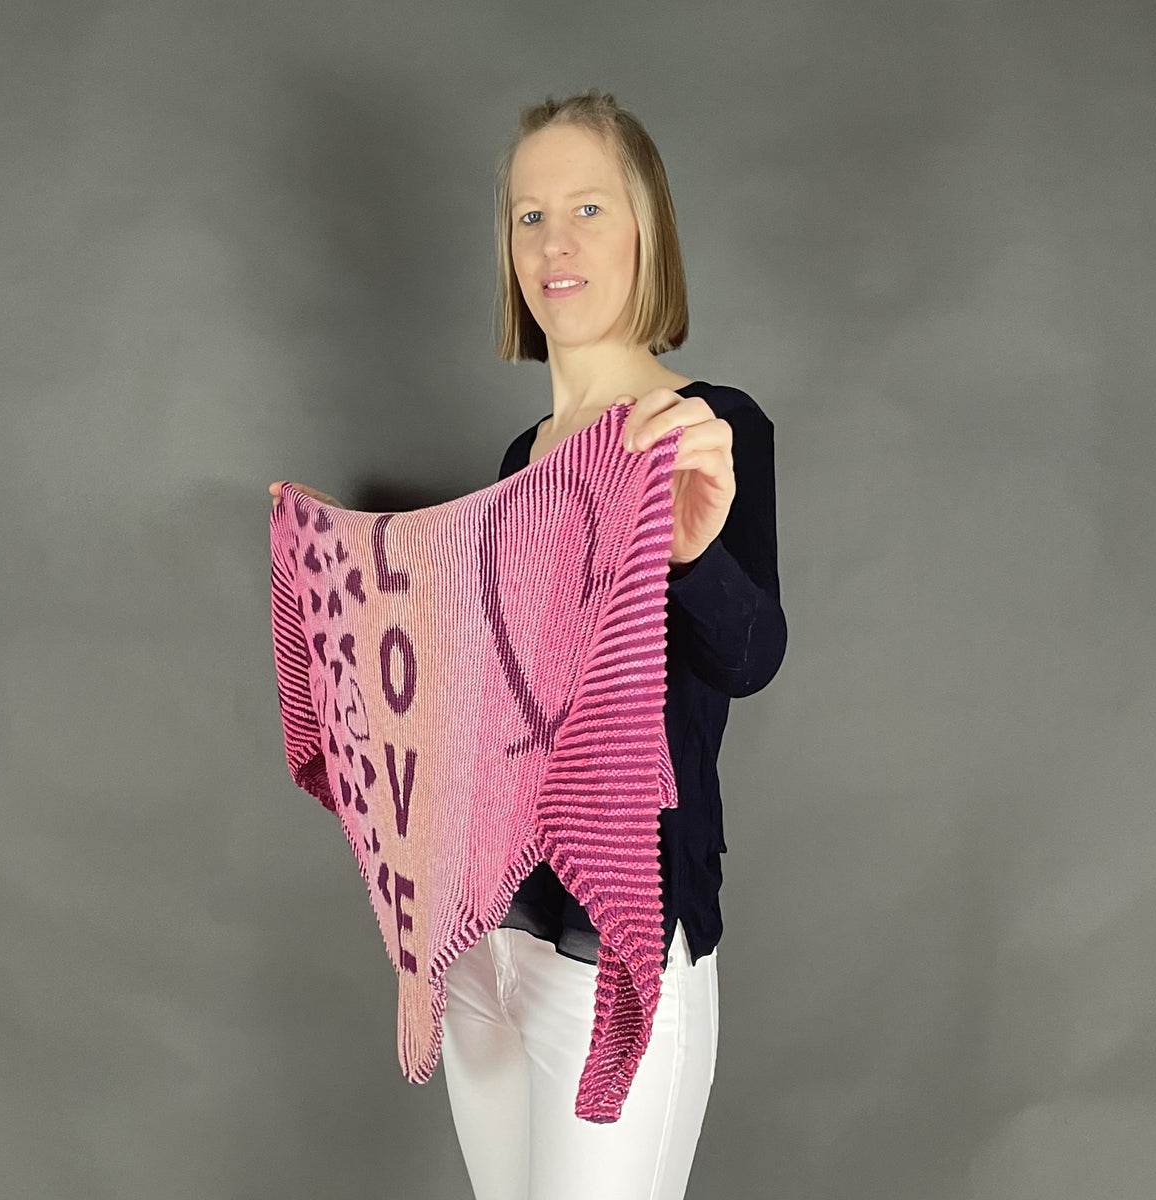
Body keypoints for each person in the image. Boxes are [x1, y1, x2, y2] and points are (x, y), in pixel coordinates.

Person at [270, 88, 786, 1200]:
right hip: (489, 937)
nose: (557, 242)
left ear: (647, 230)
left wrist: (693, 550)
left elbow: (750, 658)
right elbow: (489, 693)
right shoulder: (525, 456)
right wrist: (340, 571)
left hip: (616, 946)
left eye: (589, 208)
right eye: (530, 216)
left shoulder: (707, 426)